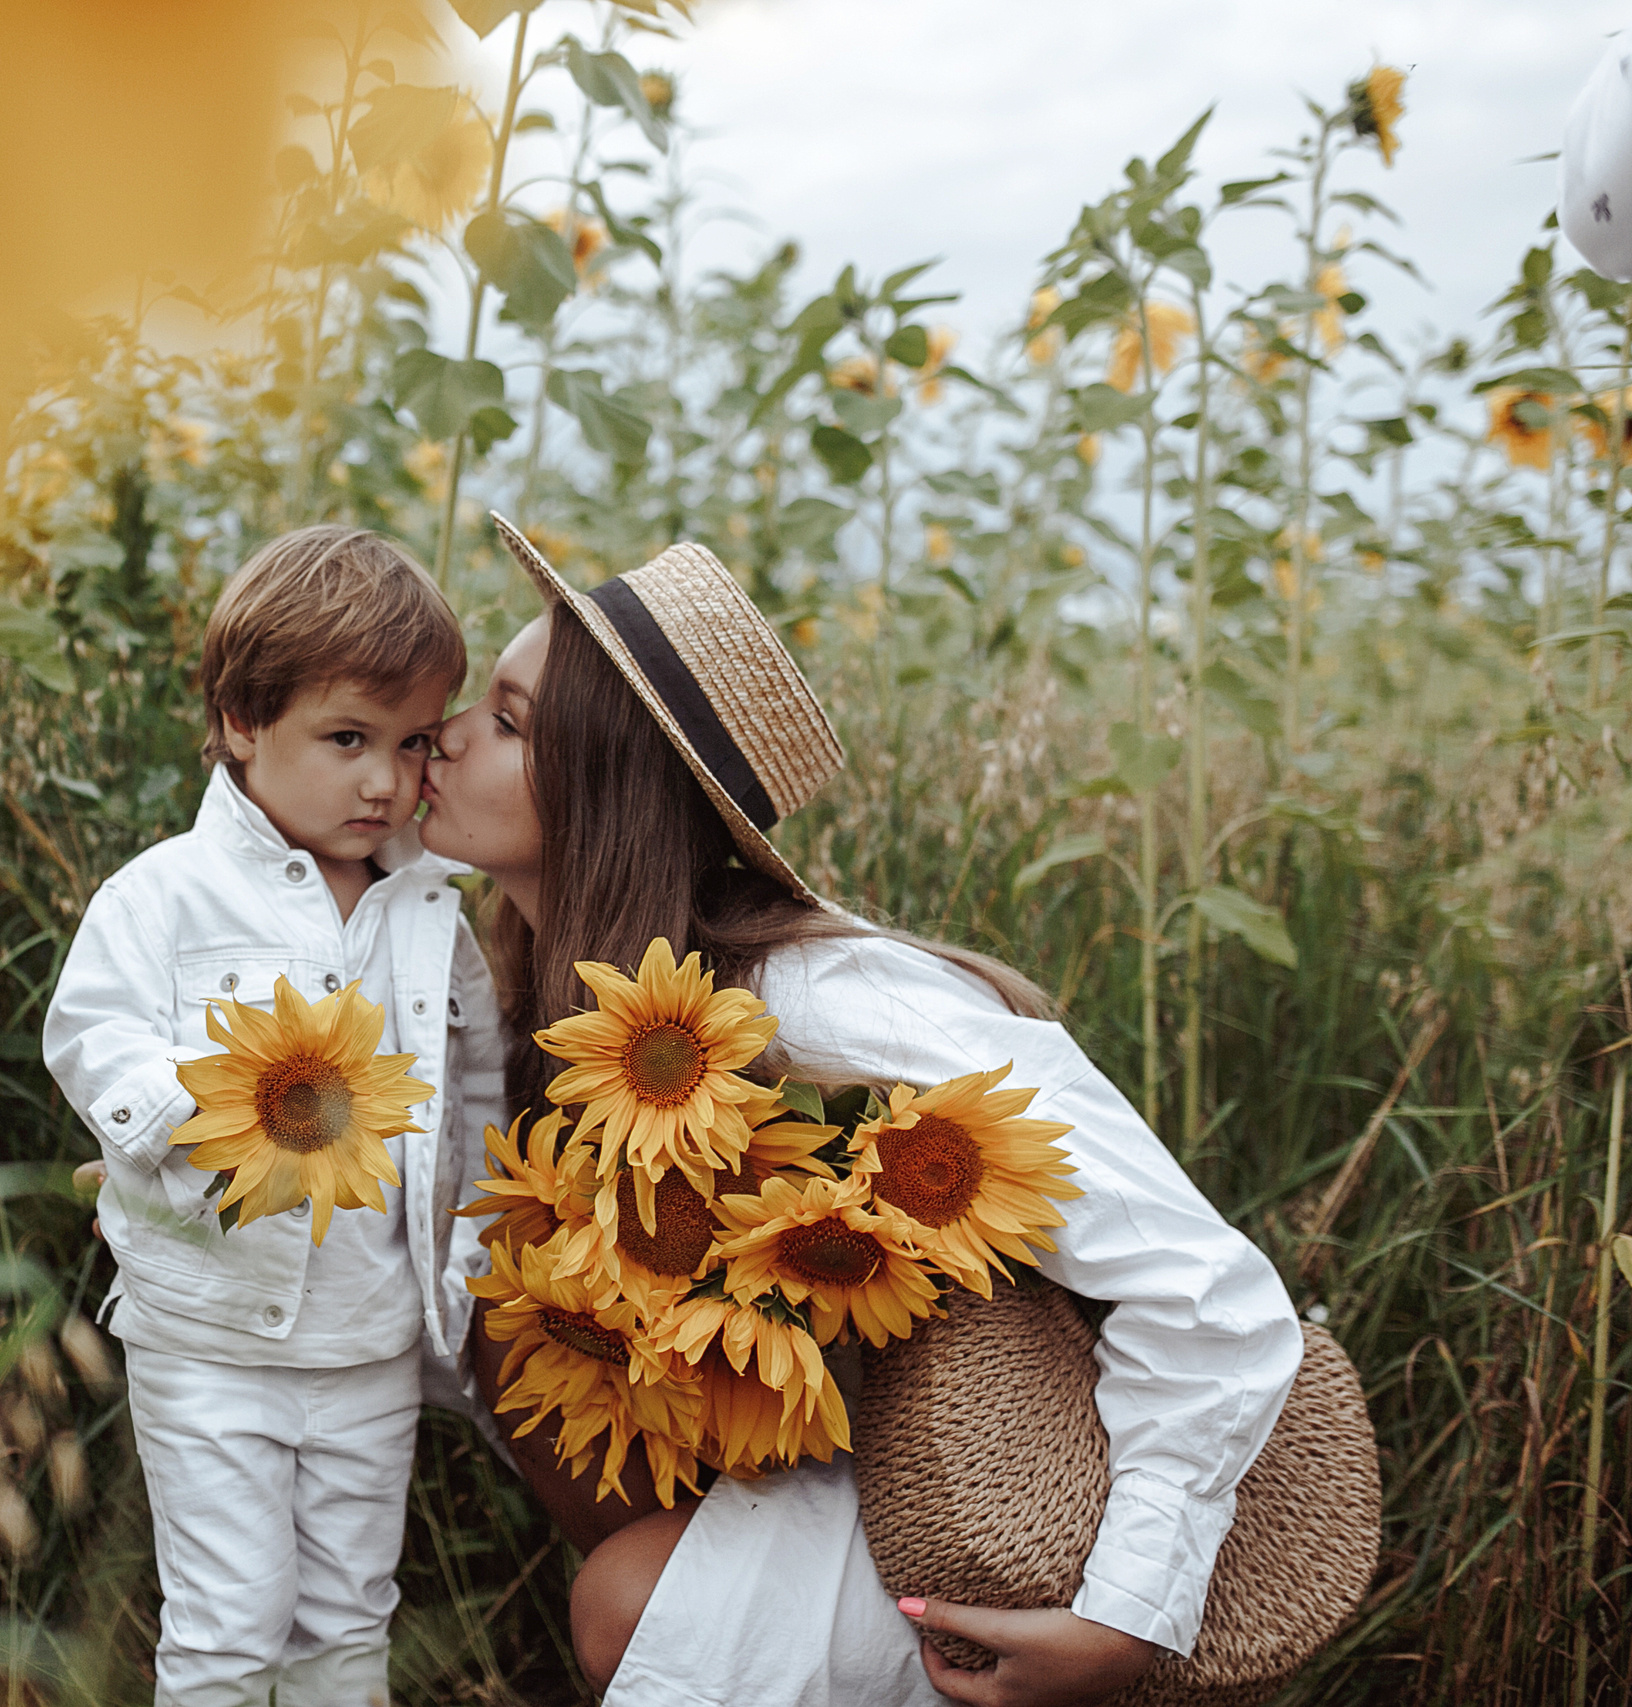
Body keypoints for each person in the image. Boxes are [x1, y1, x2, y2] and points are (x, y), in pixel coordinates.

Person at [418, 517, 1303, 1707]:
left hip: (1009, 1495)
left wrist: (1125, 1619)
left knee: (624, 1605)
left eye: (510, 721)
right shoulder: (523, 985)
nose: (451, 733)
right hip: (825, 1454)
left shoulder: (824, 998)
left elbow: (1212, 1292)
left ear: (607, 785)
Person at [43, 524, 504, 1707]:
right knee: (227, 1624)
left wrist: (470, 1253)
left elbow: (474, 1100)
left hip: (371, 1337)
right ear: (244, 722)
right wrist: (179, 1116)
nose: (384, 782)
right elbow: (91, 1033)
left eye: (410, 745)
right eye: (345, 739)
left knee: (350, 1622)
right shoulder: (166, 895)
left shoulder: (428, 913)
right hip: (207, 1335)